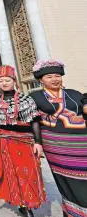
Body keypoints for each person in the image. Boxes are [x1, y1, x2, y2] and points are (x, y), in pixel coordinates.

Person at [0, 65, 47, 217]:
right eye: (1, 80)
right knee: (10, 173)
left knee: (28, 173)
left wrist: (38, 142)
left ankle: (29, 203)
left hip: (24, 141)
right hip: (3, 141)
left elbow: (34, 121)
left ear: (14, 81)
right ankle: (20, 204)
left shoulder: (26, 99)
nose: (4, 83)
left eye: (7, 80)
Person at [29, 59, 87, 217]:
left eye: (57, 76)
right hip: (57, 145)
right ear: (41, 80)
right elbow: (33, 120)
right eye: (49, 77)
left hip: (83, 143)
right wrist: (38, 142)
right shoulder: (35, 97)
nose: (54, 79)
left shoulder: (74, 94)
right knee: (68, 179)